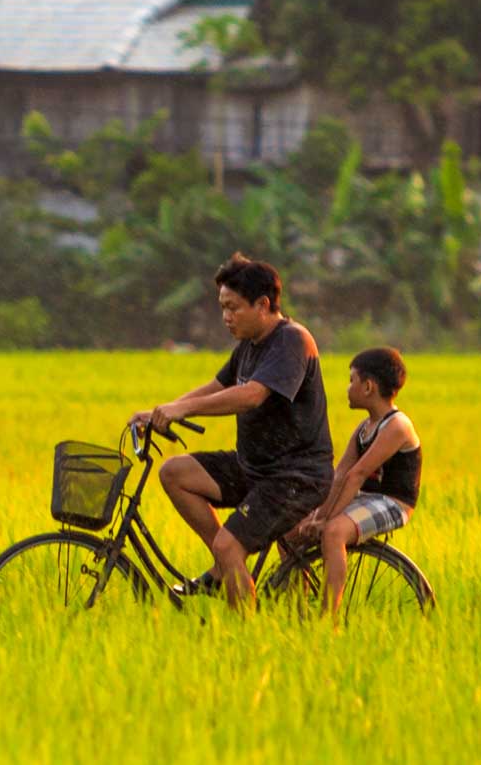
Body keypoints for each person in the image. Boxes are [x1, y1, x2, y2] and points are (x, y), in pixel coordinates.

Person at [132, 253, 332, 607]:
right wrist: (160, 412)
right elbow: (217, 386)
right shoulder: (249, 346)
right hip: (254, 467)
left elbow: (251, 395)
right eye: (222, 307)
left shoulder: (291, 341)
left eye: (233, 308)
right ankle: (227, 563)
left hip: (294, 476)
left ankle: (243, 631)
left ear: (263, 304)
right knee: (175, 472)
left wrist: (183, 409)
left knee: (229, 544)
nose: (226, 317)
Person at [289, 346, 420, 615]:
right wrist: (316, 515)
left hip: (393, 503)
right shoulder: (363, 428)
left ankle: (329, 619)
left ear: (369, 386)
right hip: (363, 499)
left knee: (334, 532)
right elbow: (339, 475)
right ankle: (297, 608)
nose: (348, 388)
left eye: (352, 381)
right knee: (291, 529)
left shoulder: (397, 425)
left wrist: (326, 520)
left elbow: (357, 474)